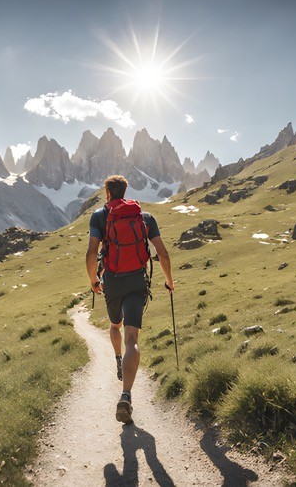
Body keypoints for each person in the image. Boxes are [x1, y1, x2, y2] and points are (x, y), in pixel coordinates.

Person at [85, 175, 174, 424]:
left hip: (113, 281)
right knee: (132, 338)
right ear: (125, 191)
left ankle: (116, 359)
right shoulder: (144, 217)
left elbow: (92, 252)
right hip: (137, 281)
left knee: (115, 325)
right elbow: (163, 253)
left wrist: (93, 280)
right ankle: (126, 395)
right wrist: (169, 281)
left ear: (107, 193)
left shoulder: (100, 217)